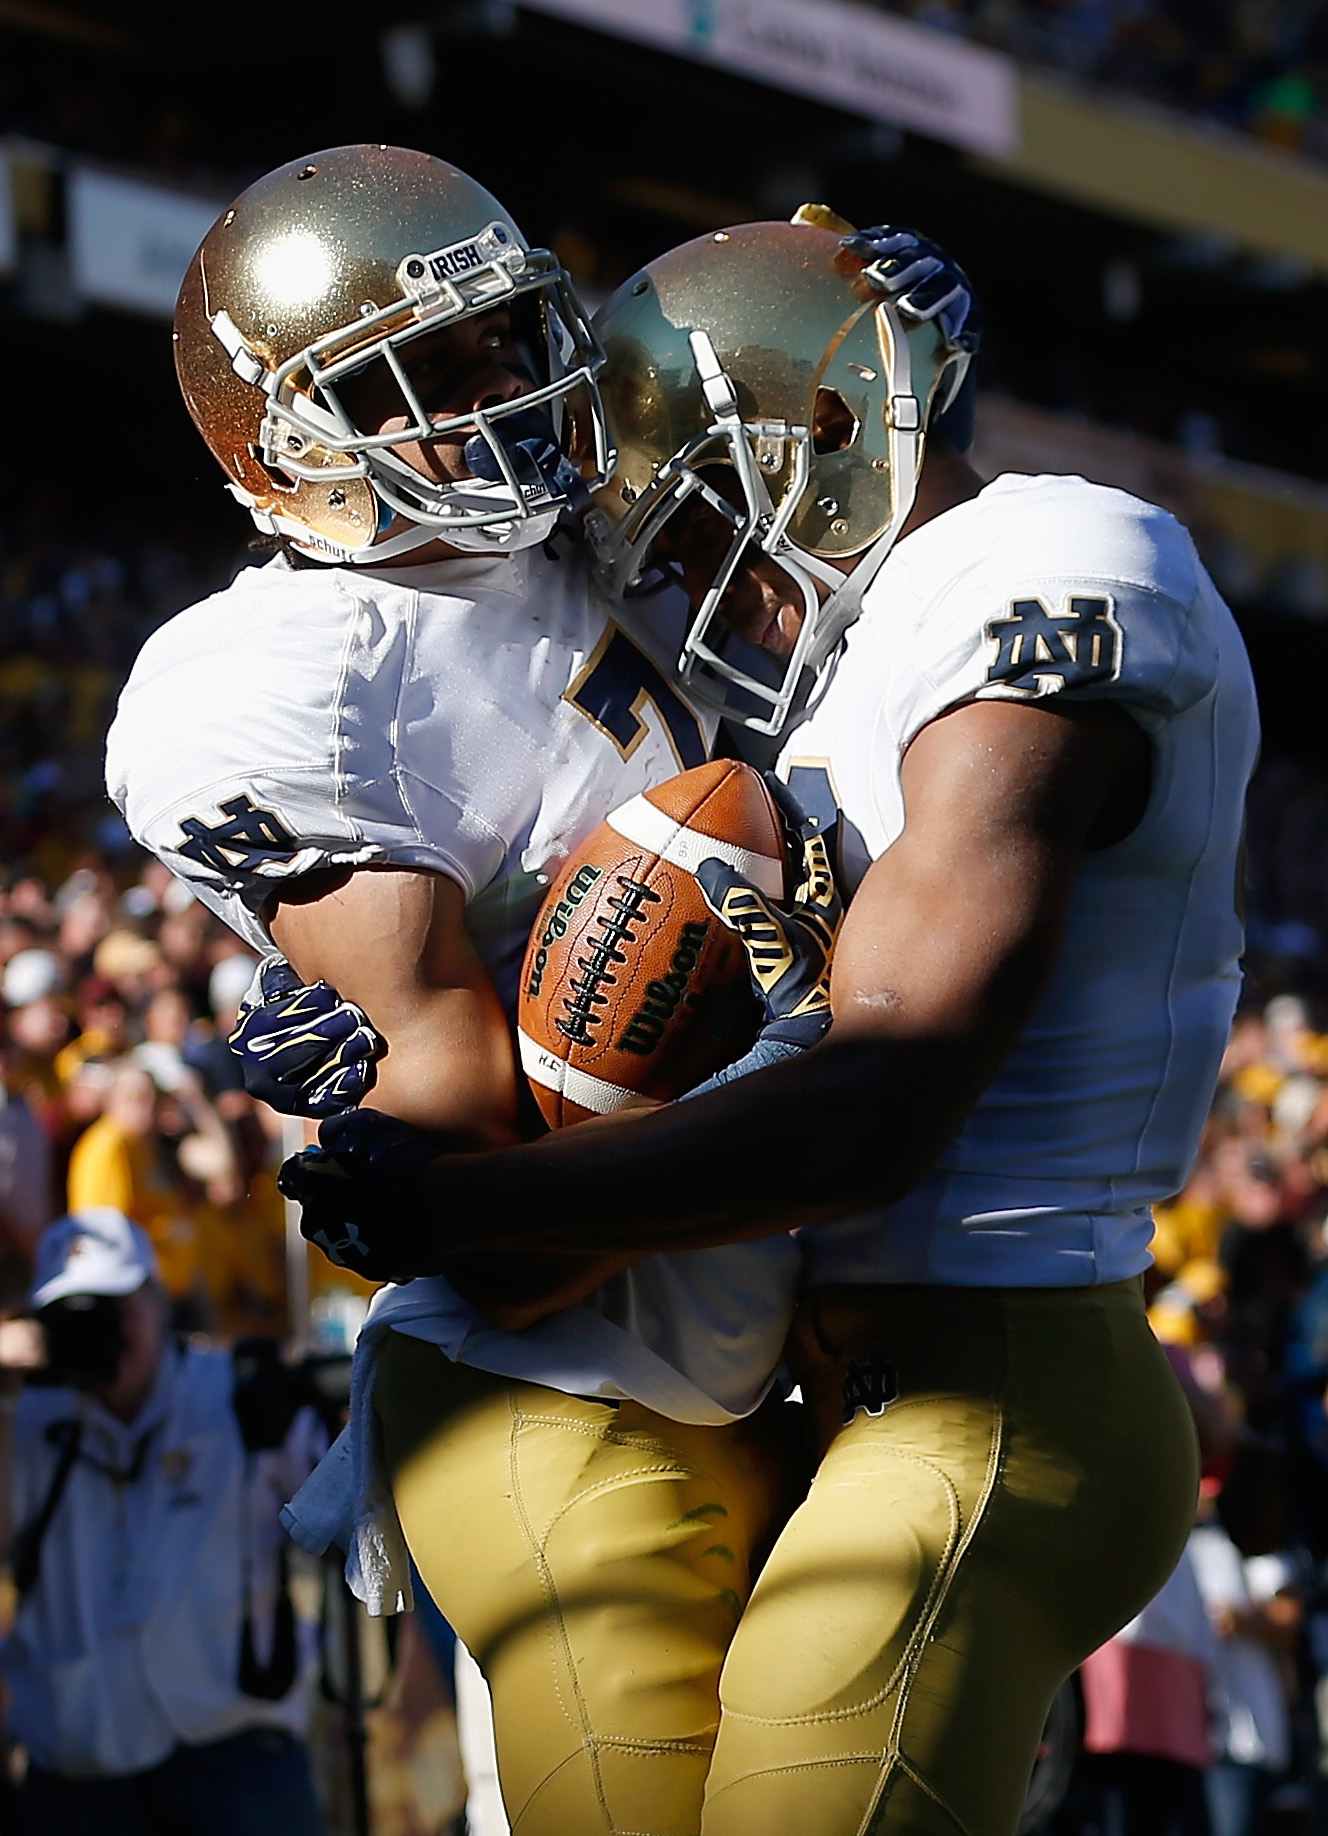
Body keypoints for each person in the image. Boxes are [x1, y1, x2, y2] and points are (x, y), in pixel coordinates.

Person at [280, 213, 1259, 1836]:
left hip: (998, 1382)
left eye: (700, 512)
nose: (692, 573)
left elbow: (877, 1097)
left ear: (814, 438)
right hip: (837, 1396)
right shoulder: (865, 662)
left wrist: (458, 1206)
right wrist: (381, 1062)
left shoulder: (1048, 560)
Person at [0, 1208, 325, 1835]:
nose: (97, 1332)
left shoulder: (235, 1392)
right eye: (72, 1316)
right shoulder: (27, 1419)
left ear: (156, 1299)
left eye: (113, 1307)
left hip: (234, 1752)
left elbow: (346, 1518)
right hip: (80, 1759)